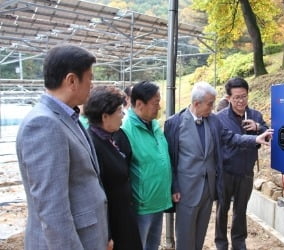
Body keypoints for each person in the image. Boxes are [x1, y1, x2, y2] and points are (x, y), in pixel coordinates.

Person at [16, 45, 109, 250]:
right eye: (90, 78)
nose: (92, 85)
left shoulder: (67, 117)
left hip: (86, 237)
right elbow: (52, 209)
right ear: (72, 81)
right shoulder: (44, 124)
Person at [164, 81, 273, 250]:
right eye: (210, 104)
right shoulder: (175, 123)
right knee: (185, 238)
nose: (213, 107)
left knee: (200, 235)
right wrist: (174, 186)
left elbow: (231, 138)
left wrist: (255, 138)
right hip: (186, 191)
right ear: (196, 103)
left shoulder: (212, 121)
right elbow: (170, 159)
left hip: (208, 190)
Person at [84, 86, 143, 250]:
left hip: (123, 218)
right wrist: (107, 234)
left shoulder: (109, 139)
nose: (123, 115)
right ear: (105, 116)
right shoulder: (94, 146)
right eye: (119, 111)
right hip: (114, 225)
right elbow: (97, 195)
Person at [215, 77, 269, 250]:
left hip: (246, 171)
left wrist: (258, 127)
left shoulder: (255, 116)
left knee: (241, 211)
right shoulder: (220, 118)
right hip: (226, 171)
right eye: (236, 97)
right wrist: (254, 138)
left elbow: (268, 135)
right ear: (229, 98)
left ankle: (239, 243)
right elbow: (231, 138)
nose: (241, 101)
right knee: (222, 210)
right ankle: (221, 243)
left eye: (244, 96)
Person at [118, 80, 172, 250]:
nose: (159, 107)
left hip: (158, 200)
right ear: (139, 104)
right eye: (156, 103)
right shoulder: (126, 130)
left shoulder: (154, 125)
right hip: (141, 205)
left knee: (152, 245)